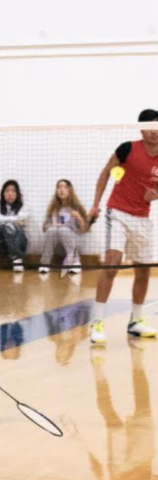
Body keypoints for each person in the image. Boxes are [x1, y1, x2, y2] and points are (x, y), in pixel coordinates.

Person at [88, 109, 158, 346]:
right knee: (112, 264)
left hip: (142, 217)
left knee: (144, 270)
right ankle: (97, 322)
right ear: (141, 129)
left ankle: (136, 321)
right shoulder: (127, 149)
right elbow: (105, 174)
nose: (154, 132)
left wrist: (156, 194)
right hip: (117, 212)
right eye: (150, 127)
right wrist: (95, 205)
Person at [39, 179, 89, 276]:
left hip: (73, 245)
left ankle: (75, 262)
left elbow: (84, 230)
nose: (61, 190)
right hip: (58, 245)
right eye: (59, 187)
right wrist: (52, 226)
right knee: (53, 230)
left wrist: (79, 218)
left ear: (70, 190)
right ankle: (45, 263)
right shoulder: (53, 209)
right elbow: (44, 228)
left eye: (65, 187)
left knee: (63, 229)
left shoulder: (76, 207)